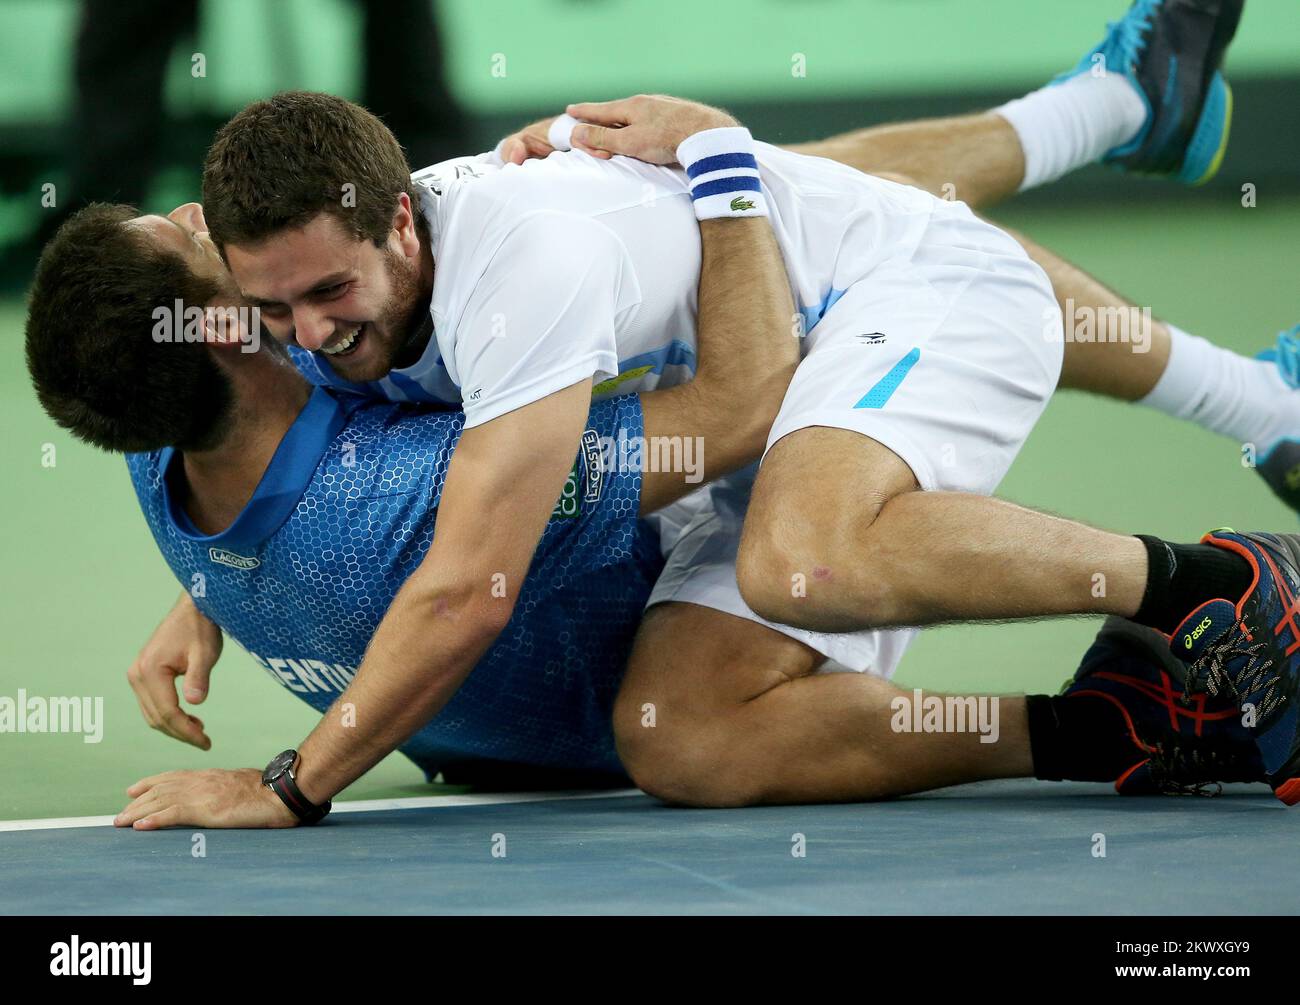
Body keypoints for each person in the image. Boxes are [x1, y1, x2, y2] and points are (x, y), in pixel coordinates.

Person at [194, 0, 1300, 807]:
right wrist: (206, 587)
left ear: (397, 224)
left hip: (915, 298)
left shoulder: (519, 272)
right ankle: (1116, 722)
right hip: (769, 370)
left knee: (802, 561)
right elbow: (302, 445)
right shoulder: (334, 289)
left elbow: (467, 590)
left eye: (328, 294)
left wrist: (293, 788)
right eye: (271, 308)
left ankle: (1228, 584)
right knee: (683, 740)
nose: (309, 337)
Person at [23, 182, 1264, 829]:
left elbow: (245, 489)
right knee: (772, 594)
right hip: (686, 544)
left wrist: (207, 584)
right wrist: (293, 786)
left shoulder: (164, 428)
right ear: (230, 332)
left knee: (864, 206)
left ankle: (1237, 463)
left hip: (558, 668)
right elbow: (736, 411)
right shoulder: (402, 500)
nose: (200, 214)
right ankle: (1131, 695)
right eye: (189, 238)